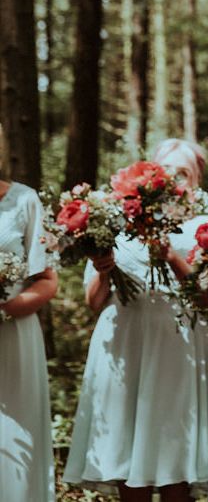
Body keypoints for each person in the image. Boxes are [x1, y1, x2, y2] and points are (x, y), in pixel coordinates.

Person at [63, 139, 208, 501]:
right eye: (169, 172)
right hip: (124, 341)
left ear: (197, 179)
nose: (176, 181)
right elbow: (94, 301)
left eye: (185, 173)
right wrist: (103, 268)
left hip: (178, 344)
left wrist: (173, 258)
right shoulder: (117, 219)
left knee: (173, 446)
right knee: (125, 445)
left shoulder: (207, 226)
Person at [0, 173, 58, 502]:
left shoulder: (24, 200)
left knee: (14, 440)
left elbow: (47, 280)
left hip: (13, 333)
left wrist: (7, 308)